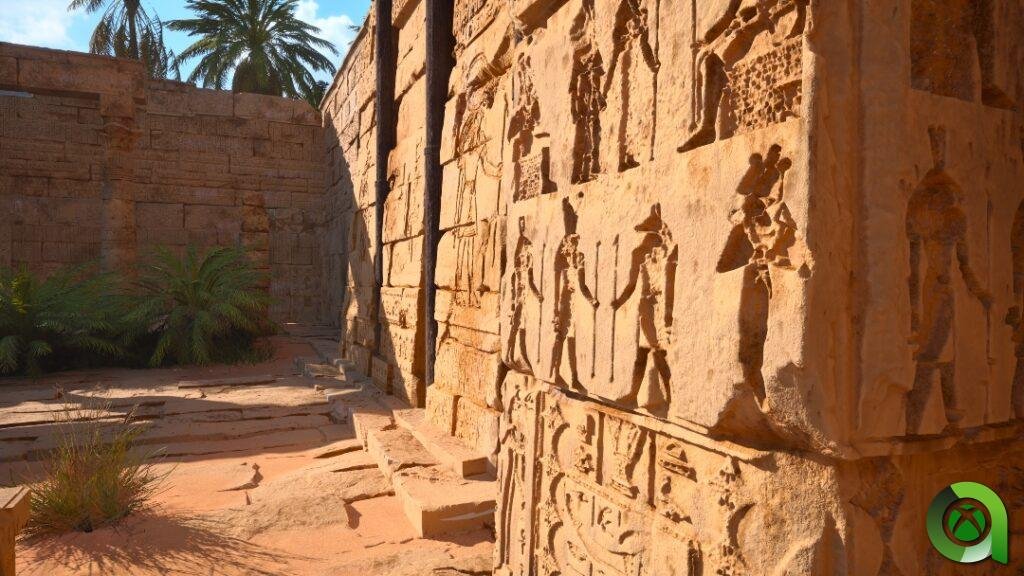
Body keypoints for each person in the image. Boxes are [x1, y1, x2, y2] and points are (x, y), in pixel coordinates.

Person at [611, 203, 677, 411]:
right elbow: (632, 285)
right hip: (646, 306)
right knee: (643, 351)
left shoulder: (666, 254)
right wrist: (620, 301)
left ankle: (669, 394)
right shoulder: (643, 256)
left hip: (657, 307)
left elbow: (668, 285)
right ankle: (634, 394)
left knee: (657, 351)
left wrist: (667, 314)